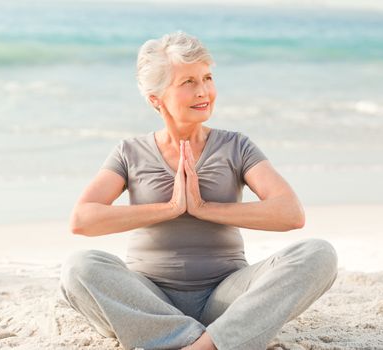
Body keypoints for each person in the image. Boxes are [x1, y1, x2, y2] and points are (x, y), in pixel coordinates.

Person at [59, 31, 338, 350]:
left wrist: (204, 208)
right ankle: (208, 339)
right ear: (156, 98)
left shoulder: (236, 146)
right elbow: (82, 219)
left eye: (207, 77)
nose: (204, 91)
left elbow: (290, 213)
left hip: (227, 298)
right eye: (188, 82)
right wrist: (170, 208)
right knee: (79, 267)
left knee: (318, 254)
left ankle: (198, 344)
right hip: (147, 300)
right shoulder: (129, 152)